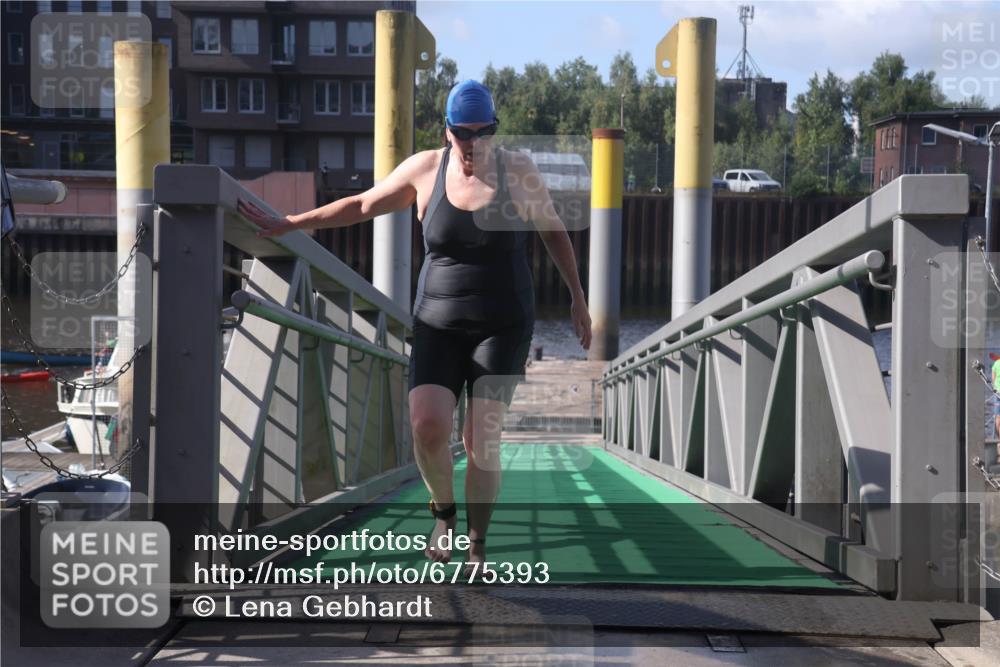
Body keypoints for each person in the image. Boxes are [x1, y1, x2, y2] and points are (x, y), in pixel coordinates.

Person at [238, 80, 592, 571]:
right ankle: (444, 514)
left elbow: (553, 231)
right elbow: (363, 205)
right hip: (438, 323)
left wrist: (578, 298)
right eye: (463, 133)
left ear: (495, 129)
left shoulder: (518, 172)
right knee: (427, 426)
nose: (473, 143)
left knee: (480, 439)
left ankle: (477, 544)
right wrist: (294, 221)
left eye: (484, 132)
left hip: (504, 324)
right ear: (447, 131)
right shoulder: (425, 170)